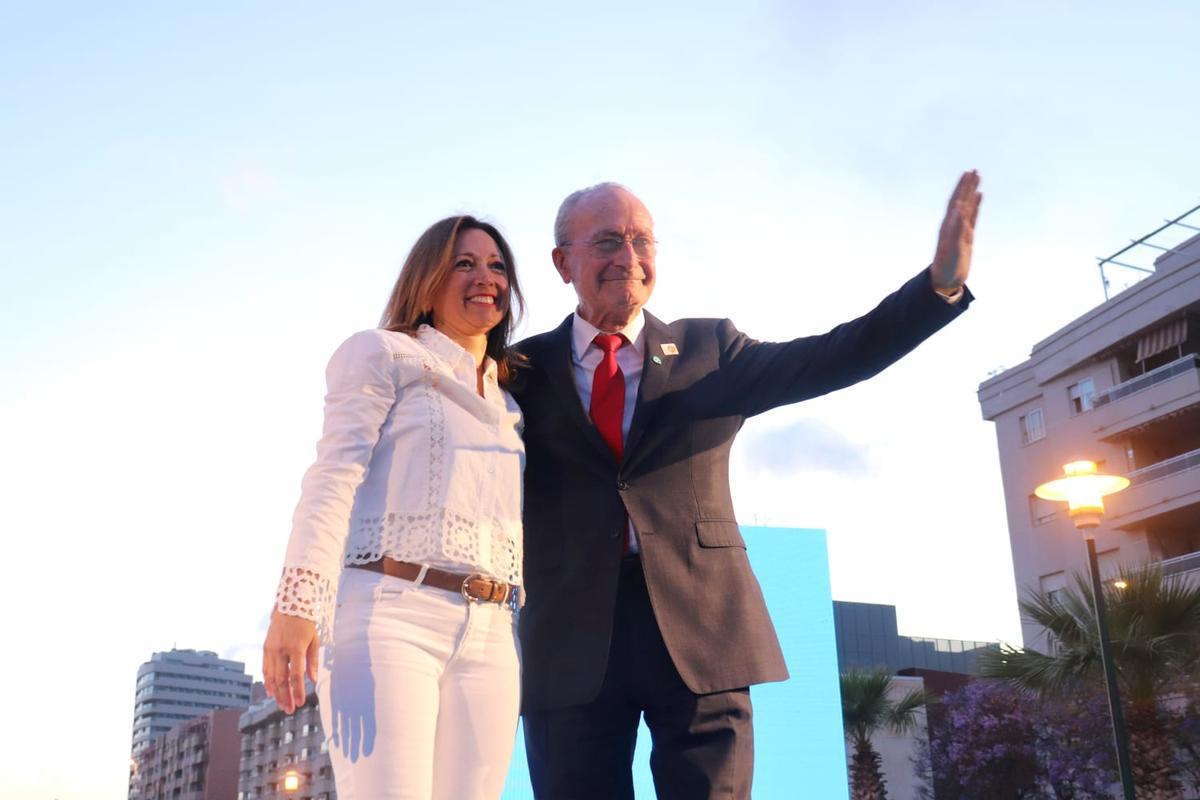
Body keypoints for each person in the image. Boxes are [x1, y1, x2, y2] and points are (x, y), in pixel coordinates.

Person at [512, 172, 982, 799]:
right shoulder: (516, 370)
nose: (629, 258)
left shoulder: (708, 348)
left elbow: (834, 355)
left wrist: (937, 289)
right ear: (561, 261)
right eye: (606, 242)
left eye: (642, 241)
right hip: (568, 643)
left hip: (701, 632)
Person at [262, 215, 527, 800]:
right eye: (465, 263)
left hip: (492, 635)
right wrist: (297, 604)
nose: (486, 277)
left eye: (497, 266)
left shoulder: (510, 402)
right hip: (389, 619)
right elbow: (332, 477)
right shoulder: (383, 354)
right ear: (427, 281)